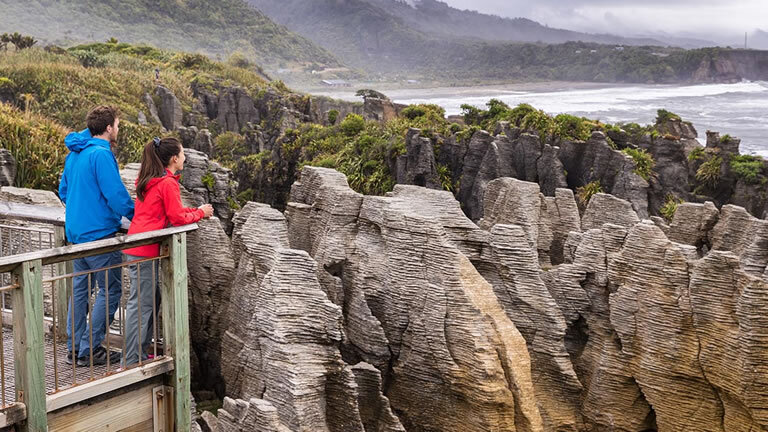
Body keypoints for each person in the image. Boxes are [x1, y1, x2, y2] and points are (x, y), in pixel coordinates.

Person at [122, 137, 213, 366]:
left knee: (149, 302)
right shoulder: (167, 183)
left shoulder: (152, 179)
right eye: (182, 154)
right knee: (141, 306)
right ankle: (132, 360)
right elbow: (178, 218)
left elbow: (175, 211)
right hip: (144, 250)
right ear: (174, 159)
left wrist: (196, 210)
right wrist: (200, 214)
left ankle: (140, 353)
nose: (185, 158)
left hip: (138, 246)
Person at [59, 105, 134, 367]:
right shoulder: (101, 154)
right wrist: (136, 216)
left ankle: (74, 348)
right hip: (100, 235)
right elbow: (115, 194)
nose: (118, 130)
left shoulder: (76, 153)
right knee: (110, 290)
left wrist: (82, 210)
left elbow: (64, 191)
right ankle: (91, 349)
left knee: (80, 291)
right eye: (118, 125)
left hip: (77, 234)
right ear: (109, 128)